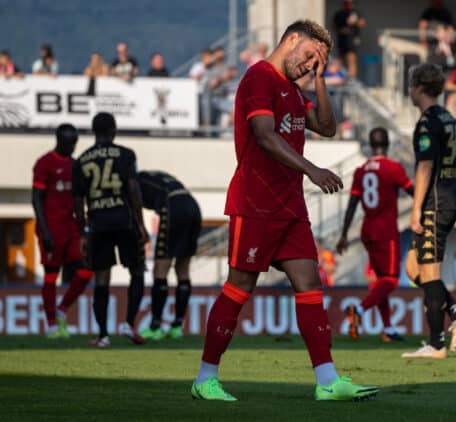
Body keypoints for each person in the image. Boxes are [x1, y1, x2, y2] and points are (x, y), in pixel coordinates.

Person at [191, 19, 378, 402]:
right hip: (255, 203)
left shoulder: (293, 90)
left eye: (318, 62)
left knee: (310, 284)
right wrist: (312, 170)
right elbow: (264, 135)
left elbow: (326, 126)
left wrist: (320, 79)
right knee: (240, 287)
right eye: (310, 55)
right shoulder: (259, 78)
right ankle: (205, 378)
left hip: (289, 206)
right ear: (291, 40)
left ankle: (327, 381)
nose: (311, 64)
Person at [402, 63, 456, 359]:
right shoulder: (448, 117)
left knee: (430, 273)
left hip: (435, 202)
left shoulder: (427, 121)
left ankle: (435, 344)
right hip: (449, 196)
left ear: (418, 87)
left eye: (410, 86)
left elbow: (425, 166)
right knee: (412, 268)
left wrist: (416, 209)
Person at [72, 112, 148, 347]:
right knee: (136, 270)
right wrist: (140, 223)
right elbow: (134, 189)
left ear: (94, 132)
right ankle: (128, 324)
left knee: (102, 277)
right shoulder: (126, 154)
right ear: (114, 130)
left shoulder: (81, 160)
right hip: (123, 219)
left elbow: (77, 201)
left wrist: (83, 231)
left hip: (98, 224)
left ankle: (103, 335)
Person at [336, 127, 414, 342]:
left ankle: (388, 329)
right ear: (387, 144)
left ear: (371, 146)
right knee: (391, 280)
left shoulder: (361, 171)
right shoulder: (392, 168)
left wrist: (343, 234)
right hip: (386, 231)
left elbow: (352, 204)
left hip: (367, 231)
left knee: (381, 281)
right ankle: (359, 311)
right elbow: (412, 191)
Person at [32, 124, 94, 338]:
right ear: (59, 140)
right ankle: (51, 324)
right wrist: (45, 230)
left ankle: (61, 309)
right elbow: (36, 198)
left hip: (72, 228)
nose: (72, 146)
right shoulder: (44, 163)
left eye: (74, 142)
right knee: (51, 275)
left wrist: (84, 227)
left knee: (87, 268)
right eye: (68, 142)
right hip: (51, 227)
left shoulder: (76, 165)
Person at [137, 171, 201, 340]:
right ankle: (177, 327)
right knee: (183, 269)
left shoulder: (132, 182)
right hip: (193, 206)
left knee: (160, 269)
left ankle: (155, 327)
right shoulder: (152, 175)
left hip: (173, 207)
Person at [332, 0, 366, 78]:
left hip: (351, 39)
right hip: (342, 39)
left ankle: (351, 79)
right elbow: (334, 26)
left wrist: (355, 22)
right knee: (340, 59)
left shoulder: (355, 13)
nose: (349, 5)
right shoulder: (339, 14)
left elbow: (362, 23)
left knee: (352, 59)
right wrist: (341, 30)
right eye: (347, 3)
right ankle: (337, 78)